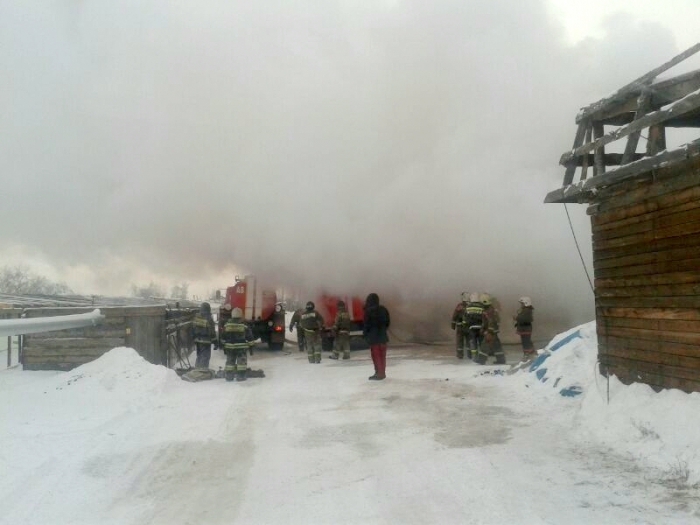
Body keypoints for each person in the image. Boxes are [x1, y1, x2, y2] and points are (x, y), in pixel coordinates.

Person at [221, 307, 255, 381]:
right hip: (241, 348)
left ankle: (229, 376)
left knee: (230, 362)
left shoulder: (227, 325)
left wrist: (223, 346)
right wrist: (251, 347)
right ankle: (241, 377)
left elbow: (223, 337)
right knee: (241, 363)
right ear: (240, 315)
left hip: (230, 348)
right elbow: (250, 337)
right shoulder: (244, 325)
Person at [363, 293, 390, 380]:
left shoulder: (368, 311)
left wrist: (365, 334)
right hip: (383, 337)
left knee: (376, 356)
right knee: (382, 356)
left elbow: (367, 325)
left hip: (374, 338)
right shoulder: (384, 309)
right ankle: (382, 373)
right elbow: (387, 322)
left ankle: (379, 373)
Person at [475, 294, 506, 365]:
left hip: (490, 331)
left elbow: (490, 322)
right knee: (496, 345)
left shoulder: (489, 311)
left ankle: (481, 360)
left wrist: (489, 331)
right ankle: (501, 360)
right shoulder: (490, 309)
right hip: (493, 331)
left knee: (485, 345)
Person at [190, 302, 216, 369]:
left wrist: (193, 337)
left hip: (197, 340)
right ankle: (202, 371)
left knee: (199, 355)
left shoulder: (196, 317)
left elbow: (192, 328)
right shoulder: (209, 318)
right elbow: (212, 331)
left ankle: (197, 369)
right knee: (205, 356)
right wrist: (215, 342)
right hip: (206, 341)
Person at [464, 292, 485, 360]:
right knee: (481, 342)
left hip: (471, 327)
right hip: (481, 327)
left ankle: (474, 356)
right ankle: (482, 356)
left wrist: (465, 326)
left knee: (473, 342)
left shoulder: (468, 307)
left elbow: (465, 318)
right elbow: (485, 316)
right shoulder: (482, 306)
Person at [450, 292, 470, 359]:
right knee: (469, 341)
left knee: (459, 341)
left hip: (460, 327)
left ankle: (460, 354)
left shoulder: (459, 306)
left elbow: (455, 315)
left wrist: (453, 324)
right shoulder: (471, 306)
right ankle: (469, 354)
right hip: (468, 327)